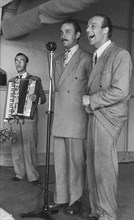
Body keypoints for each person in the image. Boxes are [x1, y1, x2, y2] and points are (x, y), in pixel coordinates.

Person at [81, 14, 132, 220]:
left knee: (104, 169)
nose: (87, 30)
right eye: (86, 26)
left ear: (105, 30)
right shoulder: (97, 56)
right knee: (93, 168)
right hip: (95, 115)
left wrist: (90, 100)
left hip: (108, 119)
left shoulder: (120, 54)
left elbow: (120, 90)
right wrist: (90, 105)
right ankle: (97, 211)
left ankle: (108, 215)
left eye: (92, 25)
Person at [49, 19, 92, 215]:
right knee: (60, 161)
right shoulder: (55, 59)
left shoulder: (87, 58)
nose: (63, 35)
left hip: (77, 117)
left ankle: (75, 200)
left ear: (77, 35)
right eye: (61, 31)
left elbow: (93, 88)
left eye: (67, 31)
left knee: (76, 162)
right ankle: (61, 197)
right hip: (59, 117)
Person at [3, 53, 46, 185]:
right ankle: (19, 173)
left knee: (30, 148)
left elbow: (43, 98)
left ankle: (33, 176)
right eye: (16, 61)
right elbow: (8, 102)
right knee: (16, 148)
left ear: (27, 63)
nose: (18, 63)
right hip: (14, 120)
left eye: (21, 61)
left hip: (29, 119)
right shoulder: (11, 81)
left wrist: (36, 99)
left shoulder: (35, 80)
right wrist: (5, 120)